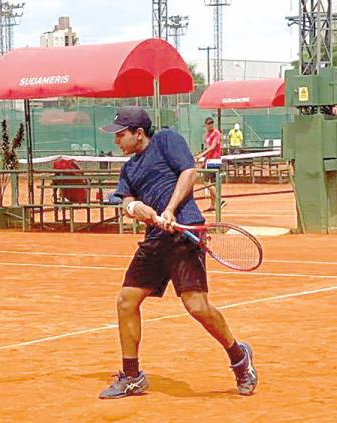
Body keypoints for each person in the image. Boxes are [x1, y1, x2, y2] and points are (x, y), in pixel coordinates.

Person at [98, 106, 257, 399]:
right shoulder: (129, 168)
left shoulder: (167, 140)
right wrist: (137, 209)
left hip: (186, 232)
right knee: (126, 300)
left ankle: (239, 357)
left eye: (121, 135)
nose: (117, 140)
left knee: (196, 306)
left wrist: (170, 210)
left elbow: (189, 171)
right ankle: (132, 377)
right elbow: (127, 202)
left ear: (139, 133)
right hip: (156, 239)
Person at [195, 117, 226, 212]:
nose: (210, 124)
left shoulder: (216, 133)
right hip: (209, 161)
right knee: (212, 183)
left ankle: (219, 200)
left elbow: (213, 147)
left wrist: (201, 155)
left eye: (212, 123)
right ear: (205, 125)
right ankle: (212, 205)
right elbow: (208, 148)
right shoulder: (206, 135)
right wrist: (204, 159)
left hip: (215, 161)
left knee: (206, 182)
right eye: (209, 123)